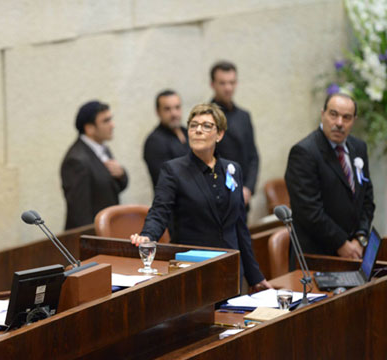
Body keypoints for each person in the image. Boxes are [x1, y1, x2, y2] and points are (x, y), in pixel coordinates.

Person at [131, 103, 270, 291]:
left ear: (219, 134)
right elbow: (159, 211)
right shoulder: (174, 170)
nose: (198, 130)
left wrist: (255, 276)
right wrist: (147, 236)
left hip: (230, 268)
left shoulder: (233, 169)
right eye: (193, 125)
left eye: (206, 126)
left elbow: (239, 226)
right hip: (194, 269)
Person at [285, 93, 374, 261]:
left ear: (354, 120)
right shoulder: (304, 152)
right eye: (333, 115)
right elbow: (309, 212)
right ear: (322, 114)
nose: (339, 123)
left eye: (346, 117)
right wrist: (342, 244)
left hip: (354, 252)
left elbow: (367, 199)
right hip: (316, 257)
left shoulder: (358, 148)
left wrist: (360, 239)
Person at [61, 100, 128, 230]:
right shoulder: (76, 160)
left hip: (107, 229)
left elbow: (113, 188)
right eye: (106, 121)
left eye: (111, 119)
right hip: (91, 236)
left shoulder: (102, 148)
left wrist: (121, 174)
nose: (112, 125)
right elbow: (80, 213)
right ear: (89, 128)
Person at [210, 61, 259, 210]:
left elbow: (253, 156)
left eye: (232, 82)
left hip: (243, 197)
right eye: (222, 83)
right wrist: (232, 190)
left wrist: (248, 188)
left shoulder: (244, 116)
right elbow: (208, 161)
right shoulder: (207, 117)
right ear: (213, 85)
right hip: (219, 197)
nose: (228, 88)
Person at [143, 90, 189, 187]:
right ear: (158, 112)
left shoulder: (188, 132)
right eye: (167, 109)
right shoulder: (154, 142)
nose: (174, 113)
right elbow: (166, 179)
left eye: (177, 107)